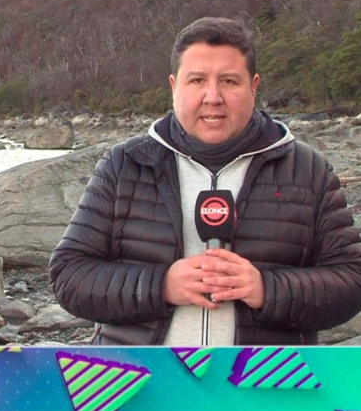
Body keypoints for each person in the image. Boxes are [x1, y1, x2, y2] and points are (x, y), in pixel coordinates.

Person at [49, 17, 361, 346]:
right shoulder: (124, 165)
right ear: (174, 87)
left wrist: (266, 289)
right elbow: (69, 274)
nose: (213, 97)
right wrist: (161, 286)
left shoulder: (307, 169)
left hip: (262, 385)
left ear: (253, 87)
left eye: (229, 81)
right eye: (197, 80)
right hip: (139, 382)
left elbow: (351, 280)